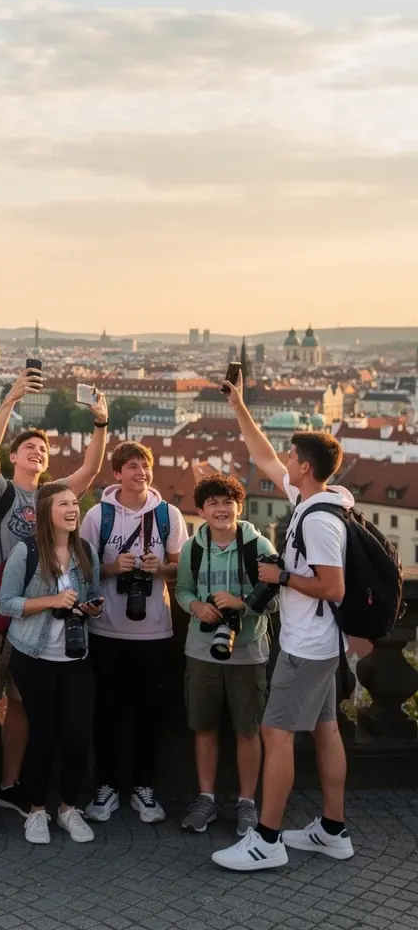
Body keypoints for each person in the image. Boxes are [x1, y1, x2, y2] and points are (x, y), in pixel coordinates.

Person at [0, 368, 109, 840]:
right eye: (29, 448)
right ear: (13, 456)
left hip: (36, 615)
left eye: (42, 449)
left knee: (22, 707)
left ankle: (10, 784)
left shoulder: (51, 497)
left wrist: (101, 424)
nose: (37, 452)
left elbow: (88, 471)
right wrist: (9, 400)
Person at [212, 373, 354, 872]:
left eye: (294, 457)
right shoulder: (314, 500)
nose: (286, 461)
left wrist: (282, 576)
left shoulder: (316, 519)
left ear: (308, 466)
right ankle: (332, 831)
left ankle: (266, 840)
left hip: (308, 645)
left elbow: (332, 587)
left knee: (276, 734)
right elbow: (263, 455)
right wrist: (240, 406)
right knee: (326, 730)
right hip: (321, 642)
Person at [80, 441, 189, 825]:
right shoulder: (97, 516)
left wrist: (159, 568)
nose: (139, 472)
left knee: (149, 712)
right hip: (105, 628)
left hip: (155, 631)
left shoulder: (169, 515)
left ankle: (145, 787)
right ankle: (106, 786)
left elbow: (182, 570)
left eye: (144, 466)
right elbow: (80, 570)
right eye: (131, 466)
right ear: (117, 473)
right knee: (106, 711)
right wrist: (112, 568)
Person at [0, 483, 102, 845]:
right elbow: (5, 603)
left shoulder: (86, 551)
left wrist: (91, 608)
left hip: (75, 657)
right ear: (46, 512)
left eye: (75, 503)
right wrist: (51, 600)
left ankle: (69, 809)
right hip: (34, 656)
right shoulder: (26, 553)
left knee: (77, 736)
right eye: (64, 504)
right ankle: (37, 810)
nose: (73, 509)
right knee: (42, 734)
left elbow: (92, 596)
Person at [175, 474, 277, 837]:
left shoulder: (257, 544)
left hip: (248, 650)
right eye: (213, 503)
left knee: (248, 730)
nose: (221, 508)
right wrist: (196, 606)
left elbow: (277, 598)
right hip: (201, 649)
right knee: (204, 727)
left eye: (227, 501)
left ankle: (247, 802)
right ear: (201, 510)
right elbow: (182, 589)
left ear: (239, 506)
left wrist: (242, 604)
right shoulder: (194, 547)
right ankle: (206, 799)